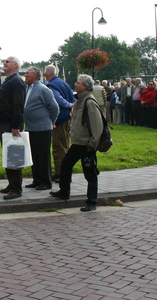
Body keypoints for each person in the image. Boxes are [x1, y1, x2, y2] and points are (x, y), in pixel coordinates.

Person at [50, 74, 103, 212]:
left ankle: (92, 201)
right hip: (78, 143)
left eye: (78, 83)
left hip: (87, 144)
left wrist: (93, 144)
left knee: (89, 173)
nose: (75, 85)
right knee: (66, 165)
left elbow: (97, 126)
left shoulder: (90, 102)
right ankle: (64, 191)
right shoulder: (79, 101)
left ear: (85, 86)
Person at [0, 56, 26, 200]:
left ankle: (16, 189)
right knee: (8, 155)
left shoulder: (17, 82)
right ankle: (11, 184)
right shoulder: (10, 80)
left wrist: (15, 126)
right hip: (5, 124)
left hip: (10, 125)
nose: (4, 63)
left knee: (13, 156)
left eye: (7, 62)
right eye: (4, 61)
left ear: (15, 65)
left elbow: (18, 105)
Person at [23, 66, 59, 191]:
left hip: (42, 128)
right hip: (31, 128)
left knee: (43, 156)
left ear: (35, 75)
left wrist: (50, 122)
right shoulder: (29, 88)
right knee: (34, 156)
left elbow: (54, 108)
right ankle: (37, 179)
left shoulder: (43, 89)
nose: (25, 75)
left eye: (27, 73)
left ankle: (46, 181)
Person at [44, 65, 75, 182]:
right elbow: (73, 98)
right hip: (67, 118)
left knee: (59, 147)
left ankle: (62, 174)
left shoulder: (51, 85)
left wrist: (69, 105)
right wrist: (72, 106)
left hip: (60, 119)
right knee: (64, 145)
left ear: (47, 74)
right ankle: (58, 172)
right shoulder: (64, 83)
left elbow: (58, 100)